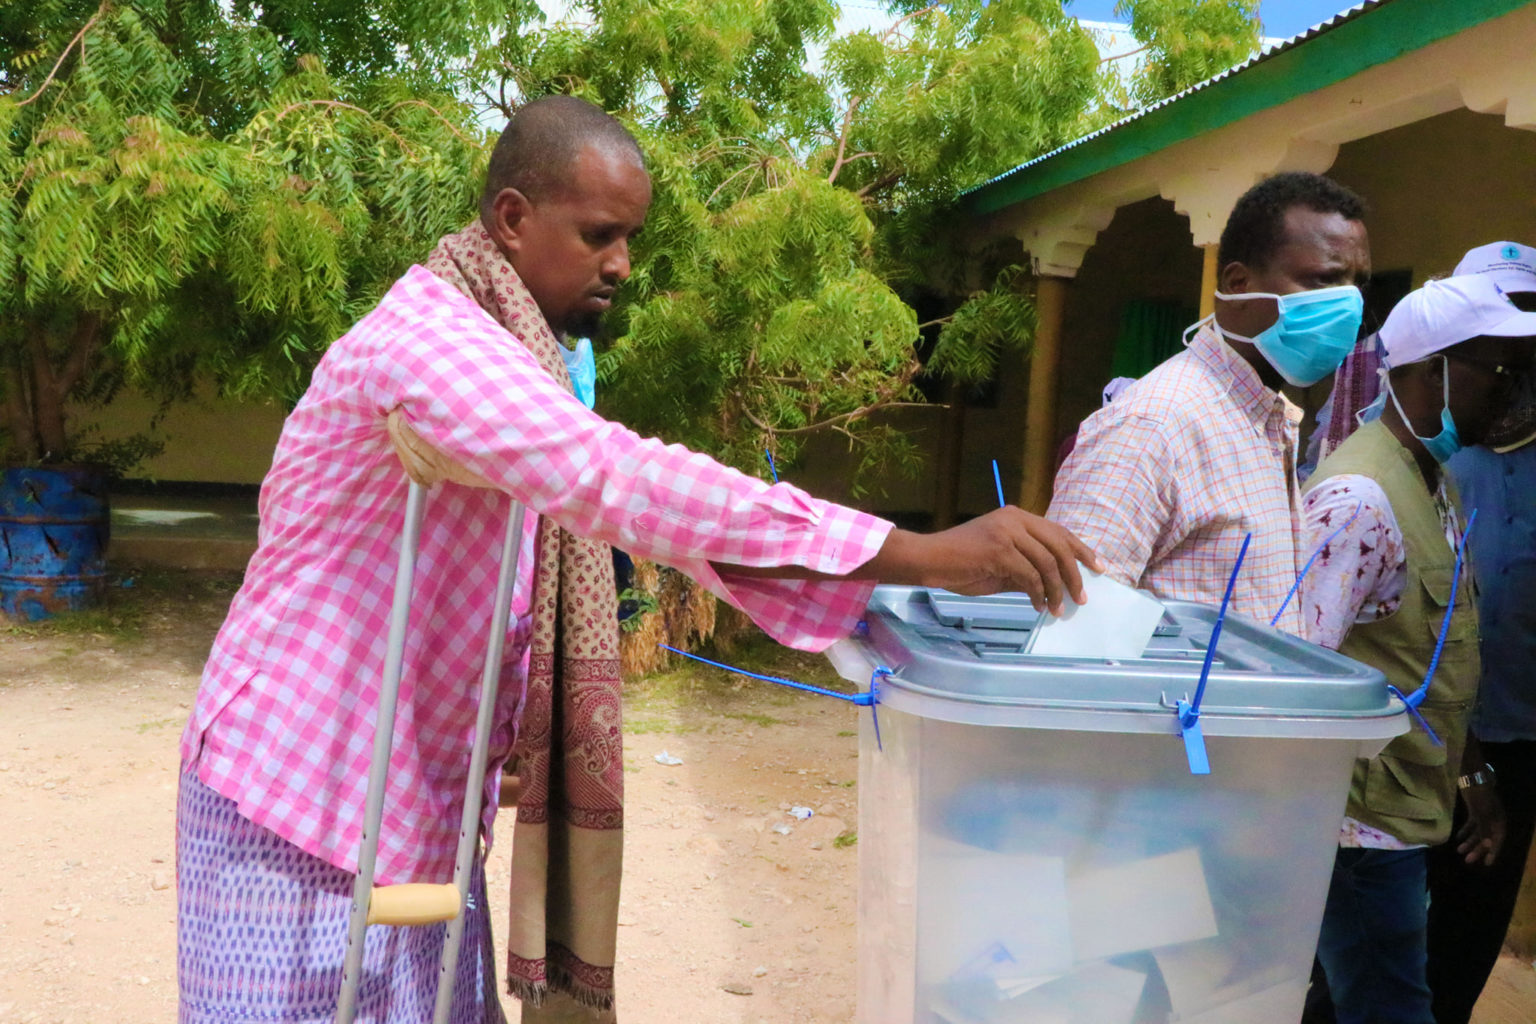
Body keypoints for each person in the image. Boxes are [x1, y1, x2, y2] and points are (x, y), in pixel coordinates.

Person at [174, 95, 1098, 1024]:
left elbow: (640, 522)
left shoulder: (516, 352)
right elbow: (612, 478)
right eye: (599, 234)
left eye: (630, 239)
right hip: (296, 792)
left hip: (407, 797)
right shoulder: (432, 342)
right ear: (512, 220)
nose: (621, 264)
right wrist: (918, 552)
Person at [1297, 273, 1536, 1024]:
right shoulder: (1359, 500)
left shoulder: (1434, 483)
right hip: (1360, 832)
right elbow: (1296, 676)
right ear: (1431, 371)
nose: (1514, 394)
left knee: (1348, 1003)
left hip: (1408, 813)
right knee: (1391, 1006)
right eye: (1499, 372)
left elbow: (1425, 659)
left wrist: (1472, 780)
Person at [1048, 171, 1369, 635]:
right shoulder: (1154, 425)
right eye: (1325, 280)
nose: (1349, 305)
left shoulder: (1267, 421)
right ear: (1237, 283)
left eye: (1358, 284)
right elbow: (1071, 638)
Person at [1425, 241, 1536, 1024]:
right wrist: (1466, 772)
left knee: (1464, 945)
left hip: (1518, 739)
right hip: (1412, 740)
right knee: (1375, 945)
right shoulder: (1408, 440)